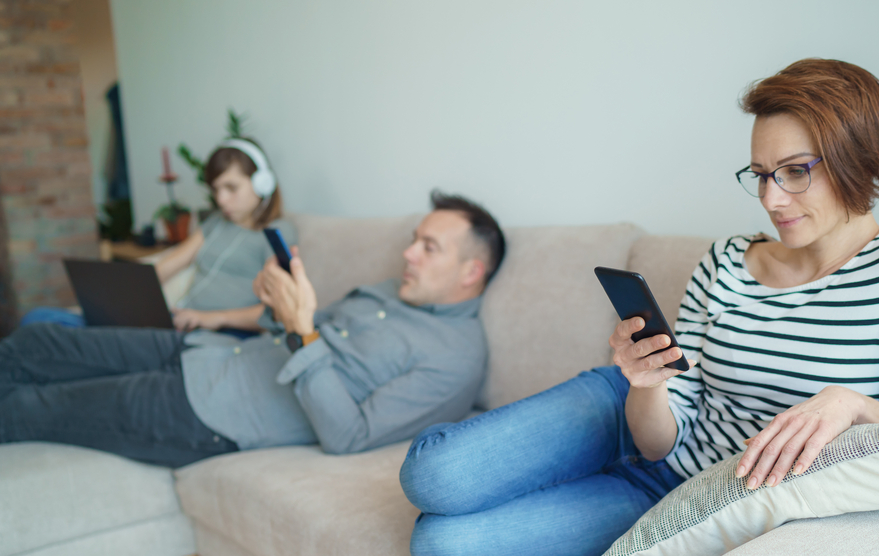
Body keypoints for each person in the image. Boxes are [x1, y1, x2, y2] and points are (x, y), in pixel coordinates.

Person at [399, 58, 879, 556]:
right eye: (761, 174)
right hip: (629, 421)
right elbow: (662, 437)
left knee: (443, 549)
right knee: (433, 477)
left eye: (795, 172)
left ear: (859, 157)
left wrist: (851, 403)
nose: (772, 200)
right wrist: (645, 387)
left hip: (682, 498)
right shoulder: (726, 258)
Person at [0, 191, 505, 468]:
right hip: (202, 351)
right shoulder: (387, 291)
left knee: (29, 407)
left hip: (208, 415)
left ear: (470, 272)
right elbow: (292, 329)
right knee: (36, 342)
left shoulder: (454, 359)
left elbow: (348, 437)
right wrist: (273, 303)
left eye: (428, 248)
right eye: (414, 240)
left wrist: (300, 327)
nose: (408, 253)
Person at [156, 137, 298, 334]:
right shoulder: (216, 222)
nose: (221, 200)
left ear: (262, 183)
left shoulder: (277, 232)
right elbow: (166, 267)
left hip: (227, 335)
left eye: (231, 188)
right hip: (184, 324)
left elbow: (280, 310)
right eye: (216, 189)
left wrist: (210, 319)